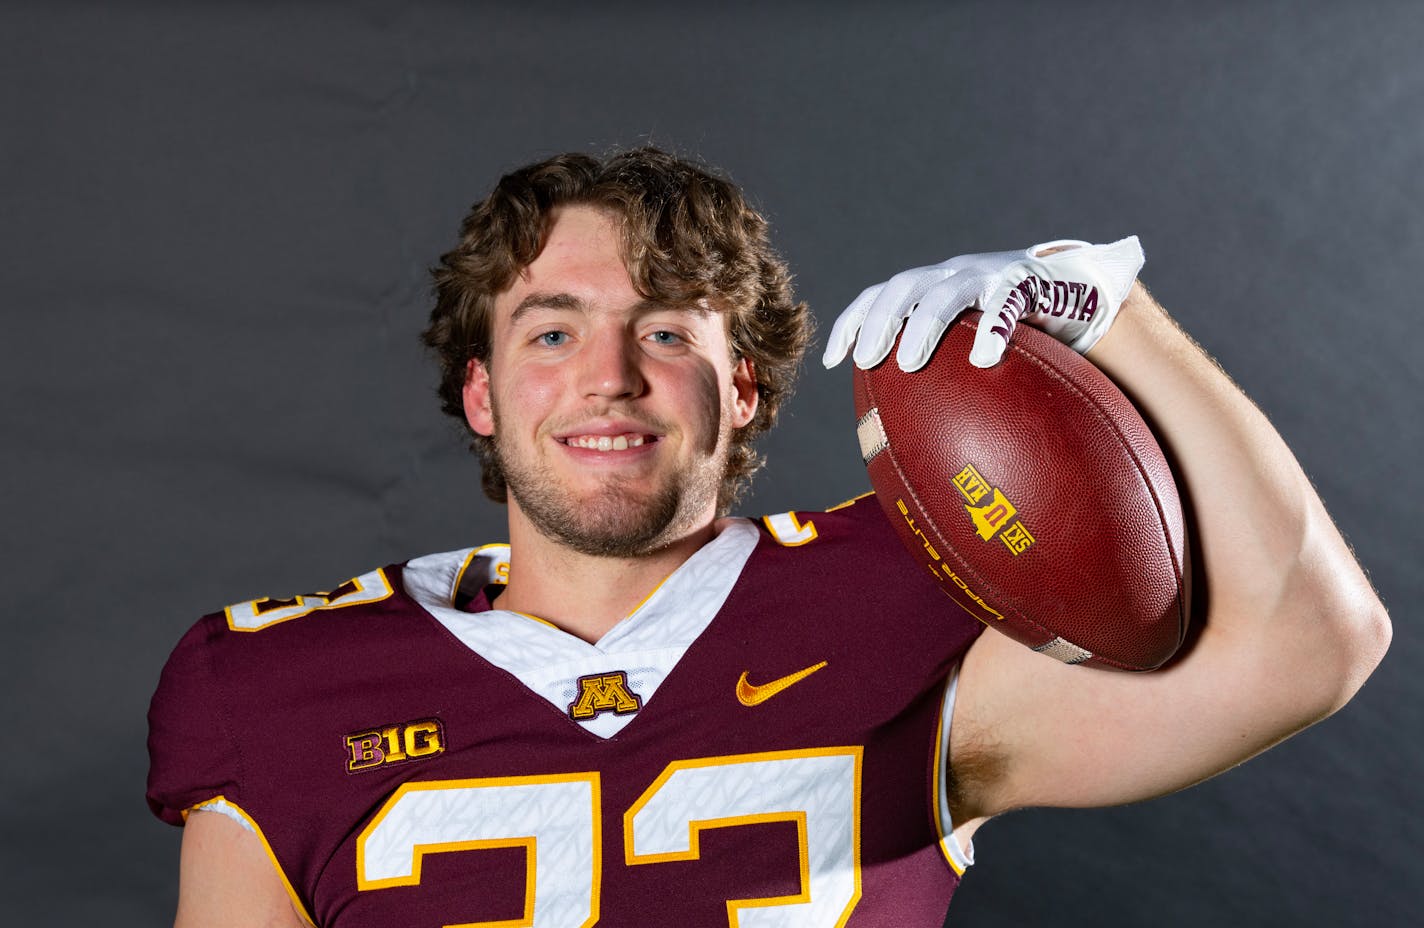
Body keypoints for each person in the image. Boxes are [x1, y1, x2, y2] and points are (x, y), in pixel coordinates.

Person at [147, 147, 1390, 927]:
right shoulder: (271, 685)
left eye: (668, 333)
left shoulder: (908, 594)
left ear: (743, 388)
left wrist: (1111, 317)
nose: (610, 379)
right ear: (480, 392)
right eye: (550, 331)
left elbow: (1310, 642)